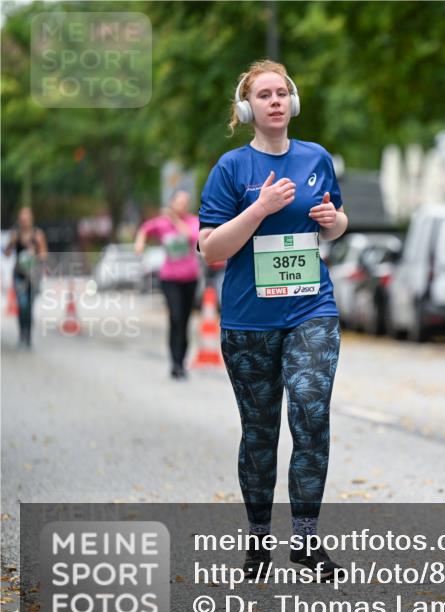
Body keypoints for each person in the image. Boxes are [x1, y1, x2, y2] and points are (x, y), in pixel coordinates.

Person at [197, 60, 349, 578]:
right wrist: (258, 209)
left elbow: (336, 222)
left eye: (282, 93)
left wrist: (334, 222)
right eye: (263, 95)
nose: (275, 101)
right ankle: (259, 540)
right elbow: (211, 248)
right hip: (249, 322)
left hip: (312, 309)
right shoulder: (232, 169)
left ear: (293, 101)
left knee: (310, 412)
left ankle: (306, 541)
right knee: (259, 433)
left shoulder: (316, 158)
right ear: (248, 108)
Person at [134, 191, 201, 379]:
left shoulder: (192, 221)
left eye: (185, 202)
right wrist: (140, 242)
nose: (182, 205)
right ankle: (175, 363)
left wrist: (174, 219)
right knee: (176, 318)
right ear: (172, 203)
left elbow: (190, 237)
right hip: (170, 279)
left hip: (190, 278)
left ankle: (182, 361)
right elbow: (145, 229)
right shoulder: (162, 223)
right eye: (179, 202)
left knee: (185, 321)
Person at [3, 207, 48, 348]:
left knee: (29, 307)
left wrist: (34, 254)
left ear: (31, 219)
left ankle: (28, 336)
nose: (24, 220)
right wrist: (11, 242)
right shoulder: (15, 234)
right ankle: (22, 335)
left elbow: (44, 254)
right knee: (22, 305)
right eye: (21, 218)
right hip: (19, 275)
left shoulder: (37, 234)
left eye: (26, 218)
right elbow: (6, 253)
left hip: (33, 276)